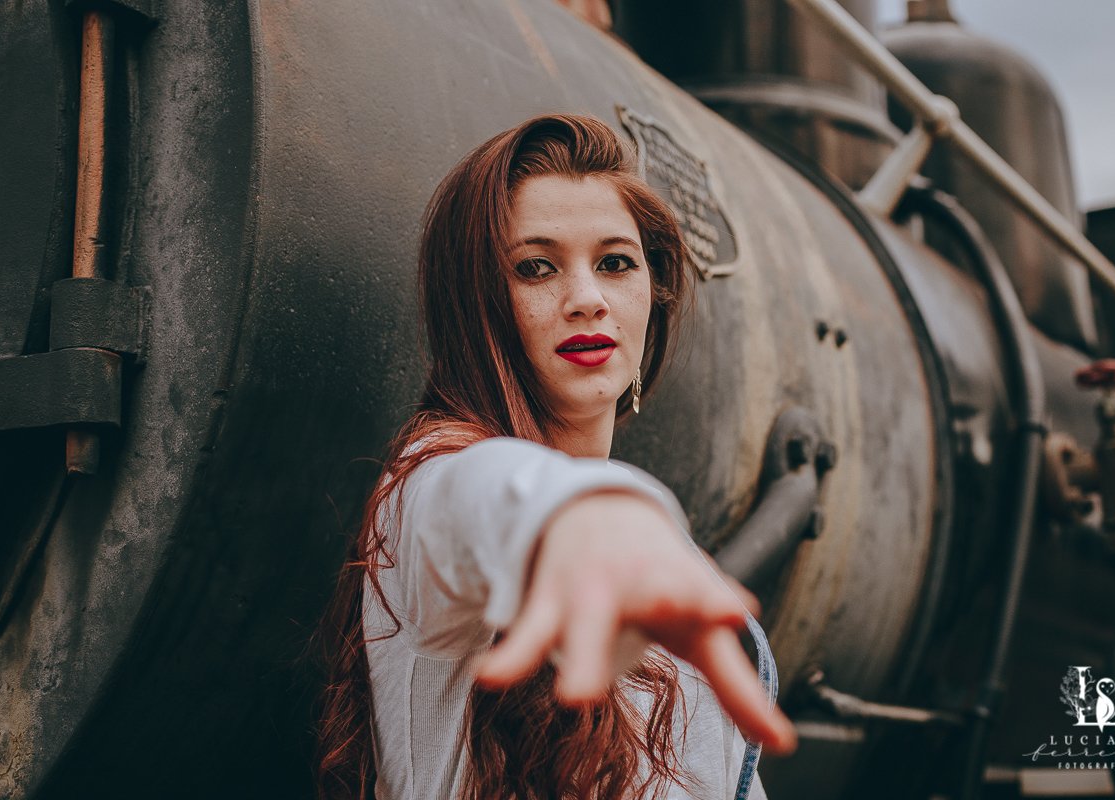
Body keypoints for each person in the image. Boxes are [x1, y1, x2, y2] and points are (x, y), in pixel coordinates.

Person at [315, 113, 796, 800]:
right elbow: (477, 498)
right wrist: (572, 514)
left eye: (615, 262)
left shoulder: (653, 558)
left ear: (653, 293)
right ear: (480, 302)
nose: (587, 299)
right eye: (535, 268)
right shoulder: (426, 487)